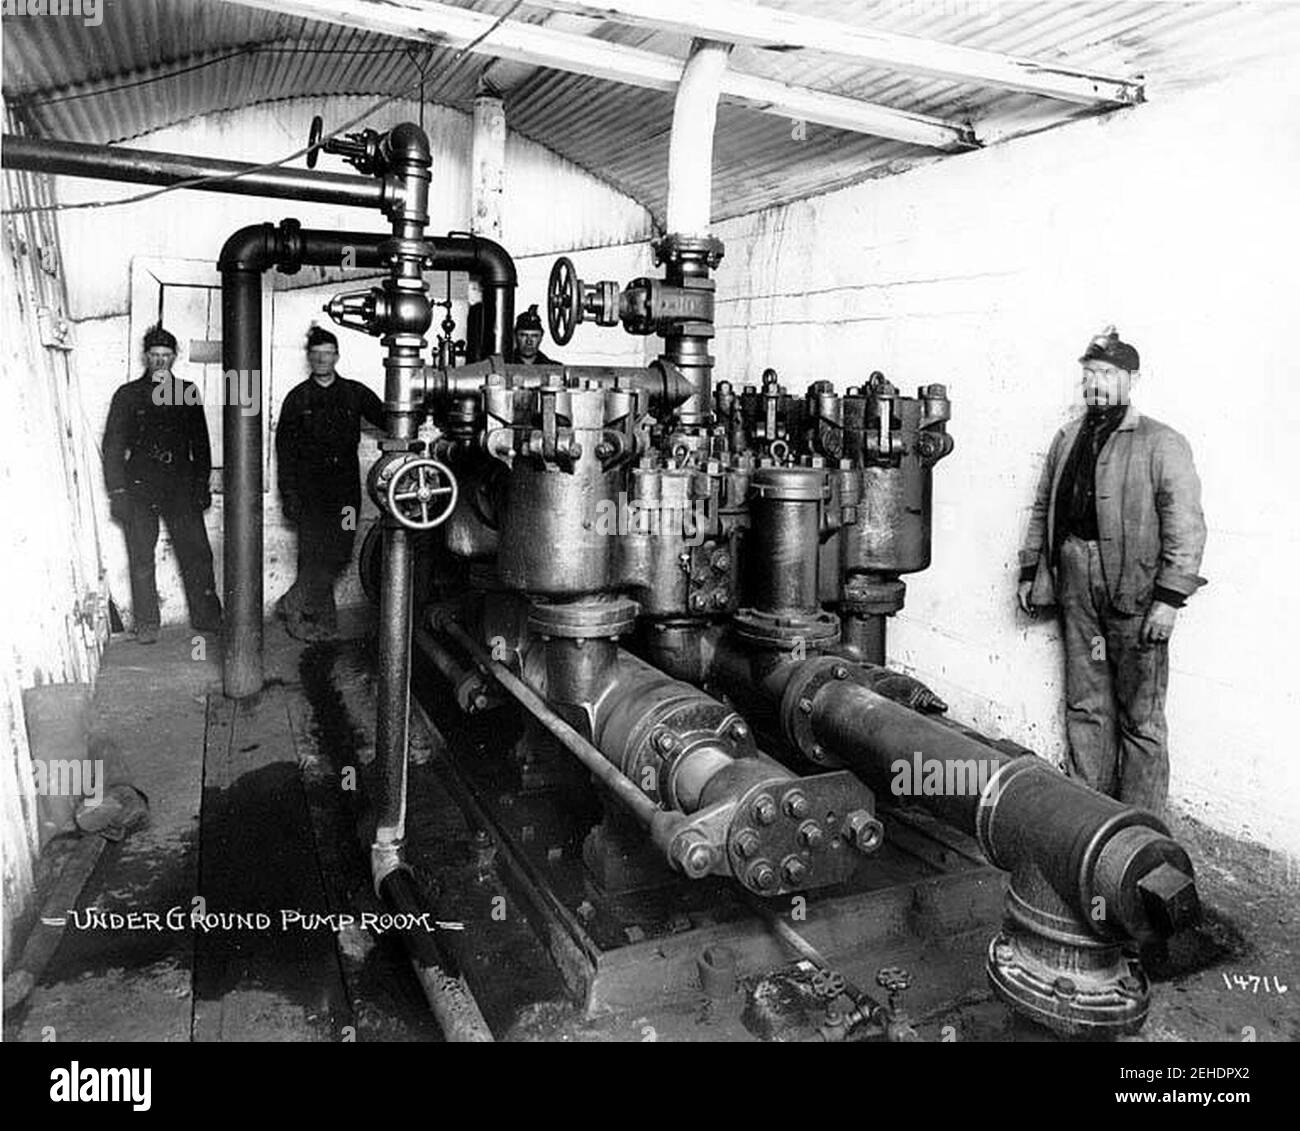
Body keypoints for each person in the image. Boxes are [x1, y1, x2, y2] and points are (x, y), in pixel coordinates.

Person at [1017, 327, 1206, 816]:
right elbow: (1043, 507)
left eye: (1107, 374)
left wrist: (1169, 598)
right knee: (1087, 702)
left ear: (1132, 378)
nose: (1096, 383)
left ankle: (1138, 830)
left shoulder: (1162, 442)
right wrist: (1030, 569)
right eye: (1090, 374)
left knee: (1140, 718)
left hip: (1135, 587)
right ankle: (1087, 822)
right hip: (1074, 575)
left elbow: (1185, 524)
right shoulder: (1068, 436)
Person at [103, 324, 222, 643]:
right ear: (146, 356)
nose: (159, 361)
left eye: (165, 356)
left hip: (180, 485)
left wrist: (201, 485)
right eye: (154, 355)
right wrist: (117, 492)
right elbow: (113, 446)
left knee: (197, 553)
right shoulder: (128, 395)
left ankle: (207, 616)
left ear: (174, 357)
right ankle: (147, 623)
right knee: (141, 556)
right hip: (140, 486)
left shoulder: (187, 391)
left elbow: (201, 443)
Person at [275, 326, 386, 641]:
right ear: (310, 358)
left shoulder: (354, 392)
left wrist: (418, 407)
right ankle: (319, 621)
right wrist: (289, 493)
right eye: (317, 354)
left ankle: (292, 601)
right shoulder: (298, 398)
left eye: (328, 354)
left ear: (337, 357)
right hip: (310, 492)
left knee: (340, 552)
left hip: (345, 491)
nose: (322, 359)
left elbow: (387, 417)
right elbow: (285, 450)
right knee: (313, 553)